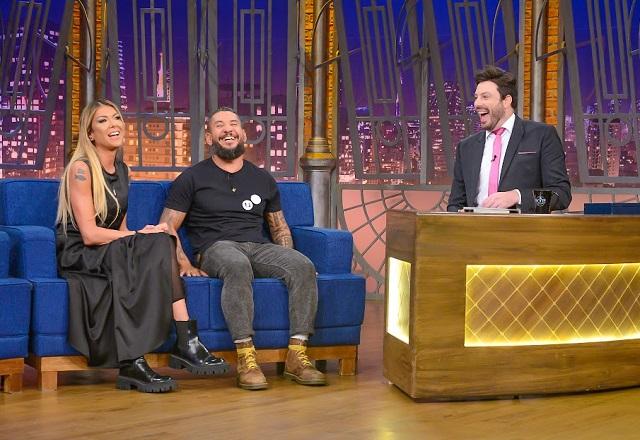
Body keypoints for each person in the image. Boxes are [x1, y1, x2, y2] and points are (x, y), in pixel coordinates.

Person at [56, 99, 229, 393]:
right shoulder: (81, 170)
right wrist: (138, 236)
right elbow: (89, 234)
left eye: (117, 117)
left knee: (162, 238)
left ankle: (181, 343)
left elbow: (120, 228)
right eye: (103, 121)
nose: (113, 125)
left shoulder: (123, 170)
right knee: (153, 241)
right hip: (82, 252)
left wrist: (140, 237)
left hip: (109, 248)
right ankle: (157, 352)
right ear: (90, 133)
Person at [160, 107, 326, 390]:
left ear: (243, 133)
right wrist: (184, 263)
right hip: (216, 248)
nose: (228, 129)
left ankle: (297, 356)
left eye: (233, 124)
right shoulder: (192, 178)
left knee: (303, 265)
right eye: (219, 125)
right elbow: (167, 226)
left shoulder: (262, 179)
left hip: (257, 246)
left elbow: (279, 228)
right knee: (238, 265)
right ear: (210, 136)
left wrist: (290, 257)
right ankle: (246, 358)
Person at [447, 66, 571, 213]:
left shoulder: (542, 136)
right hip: (475, 232)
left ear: (506, 101)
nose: (477, 104)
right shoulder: (466, 147)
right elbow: (455, 204)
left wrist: (517, 197)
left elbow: (561, 195)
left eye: (485, 97)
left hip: (520, 232)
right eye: (476, 97)